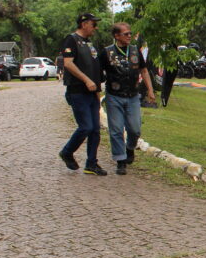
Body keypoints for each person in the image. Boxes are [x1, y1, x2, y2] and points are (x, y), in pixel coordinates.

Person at [100, 22, 155, 175]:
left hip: (132, 96)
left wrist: (150, 90)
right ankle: (120, 160)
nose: (129, 36)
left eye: (130, 33)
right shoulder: (107, 52)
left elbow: (144, 70)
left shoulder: (135, 50)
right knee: (116, 130)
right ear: (116, 36)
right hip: (114, 96)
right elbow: (98, 71)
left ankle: (130, 147)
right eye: (126, 34)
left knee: (135, 129)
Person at [58, 12, 107, 175]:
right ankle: (67, 152)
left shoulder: (89, 43)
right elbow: (68, 63)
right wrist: (86, 80)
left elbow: (94, 67)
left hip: (92, 93)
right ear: (84, 24)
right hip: (78, 91)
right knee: (86, 126)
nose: (95, 28)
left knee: (95, 130)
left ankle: (91, 163)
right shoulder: (71, 40)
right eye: (93, 24)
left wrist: (97, 89)